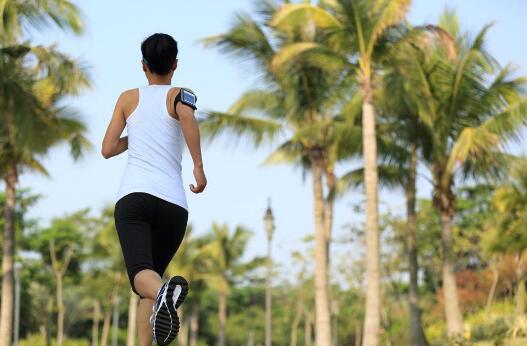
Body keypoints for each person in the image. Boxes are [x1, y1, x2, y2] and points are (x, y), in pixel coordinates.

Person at [101, 33, 207, 346]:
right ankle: (159, 306)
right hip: (174, 206)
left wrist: (138, 135)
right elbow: (186, 114)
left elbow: (107, 149)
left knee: (142, 277)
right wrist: (198, 168)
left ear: (143, 66)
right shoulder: (181, 94)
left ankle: (164, 293)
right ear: (175, 64)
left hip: (135, 198)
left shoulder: (127, 98)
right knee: (151, 278)